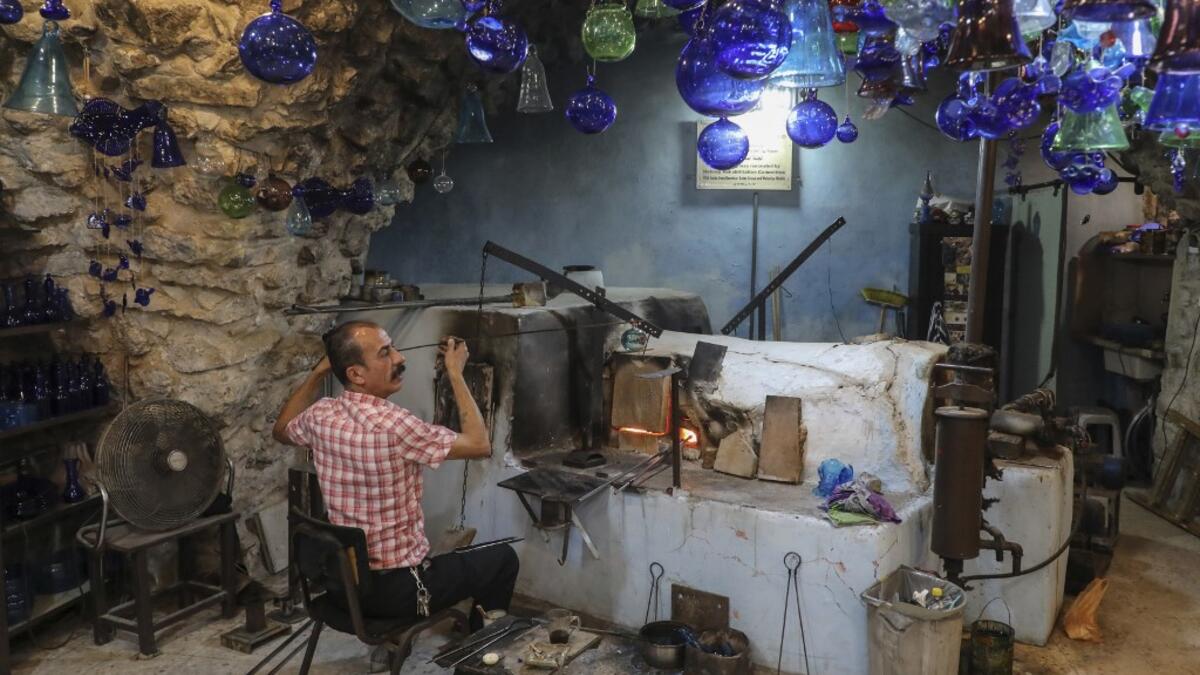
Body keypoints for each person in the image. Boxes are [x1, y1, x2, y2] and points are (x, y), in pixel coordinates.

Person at [273, 320, 518, 633]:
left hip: (341, 587)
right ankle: (479, 658)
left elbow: (281, 430)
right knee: (502, 560)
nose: (400, 358)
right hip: (395, 593)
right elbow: (479, 444)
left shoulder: (321, 415)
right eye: (385, 353)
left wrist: (320, 372)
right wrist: (455, 372)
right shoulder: (396, 426)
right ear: (356, 374)